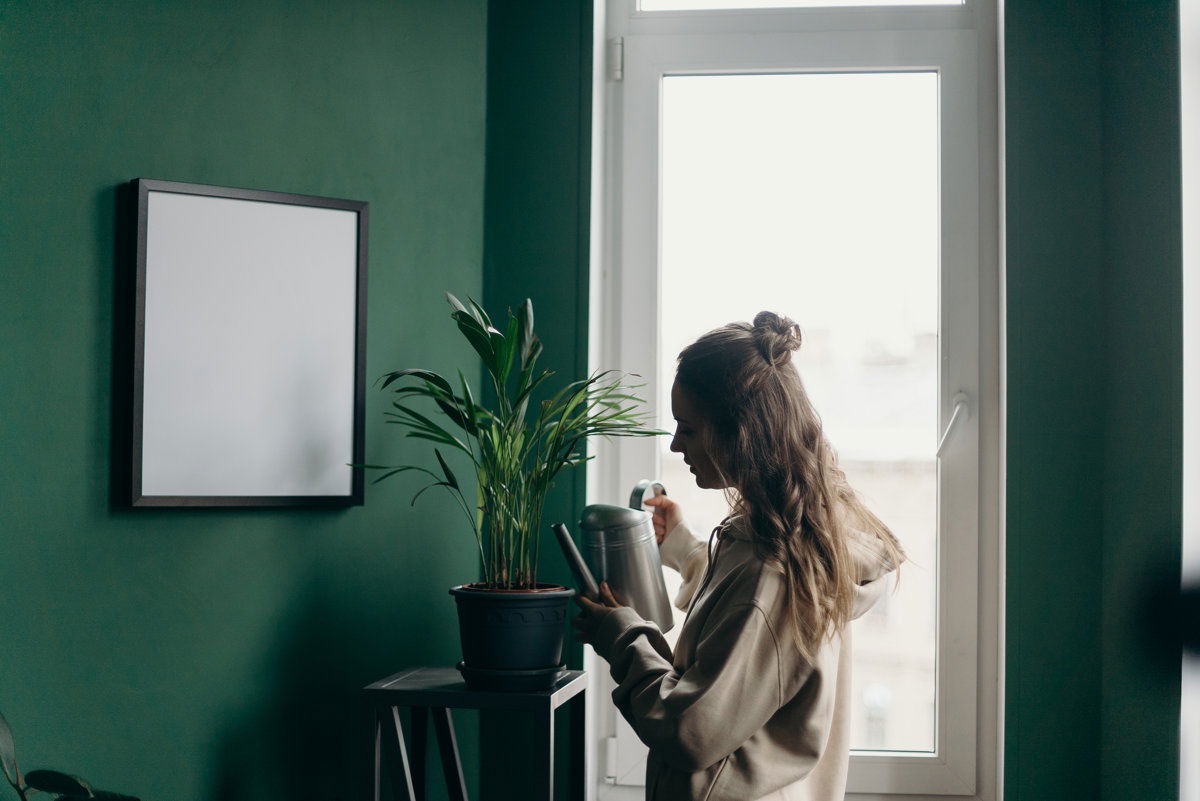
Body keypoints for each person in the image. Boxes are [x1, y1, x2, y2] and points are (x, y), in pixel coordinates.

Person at [573, 311, 905, 801]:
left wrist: (622, 638)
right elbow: (748, 633)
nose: (675, 445)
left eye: (688, 429)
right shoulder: (805, 535)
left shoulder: (771, 572)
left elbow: (690, 731)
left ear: (740, 433)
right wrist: (686, 549)